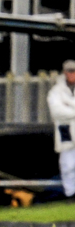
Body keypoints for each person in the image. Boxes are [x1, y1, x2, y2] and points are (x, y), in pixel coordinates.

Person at [46, 59, 75, 198]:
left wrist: (68, 106)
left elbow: (63, 111)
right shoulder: (56, 91)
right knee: (67, 165)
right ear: (65, 73)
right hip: (66, 131)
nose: (72, 74)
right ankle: (70, 193)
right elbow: (57, 112)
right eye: (70, 71)